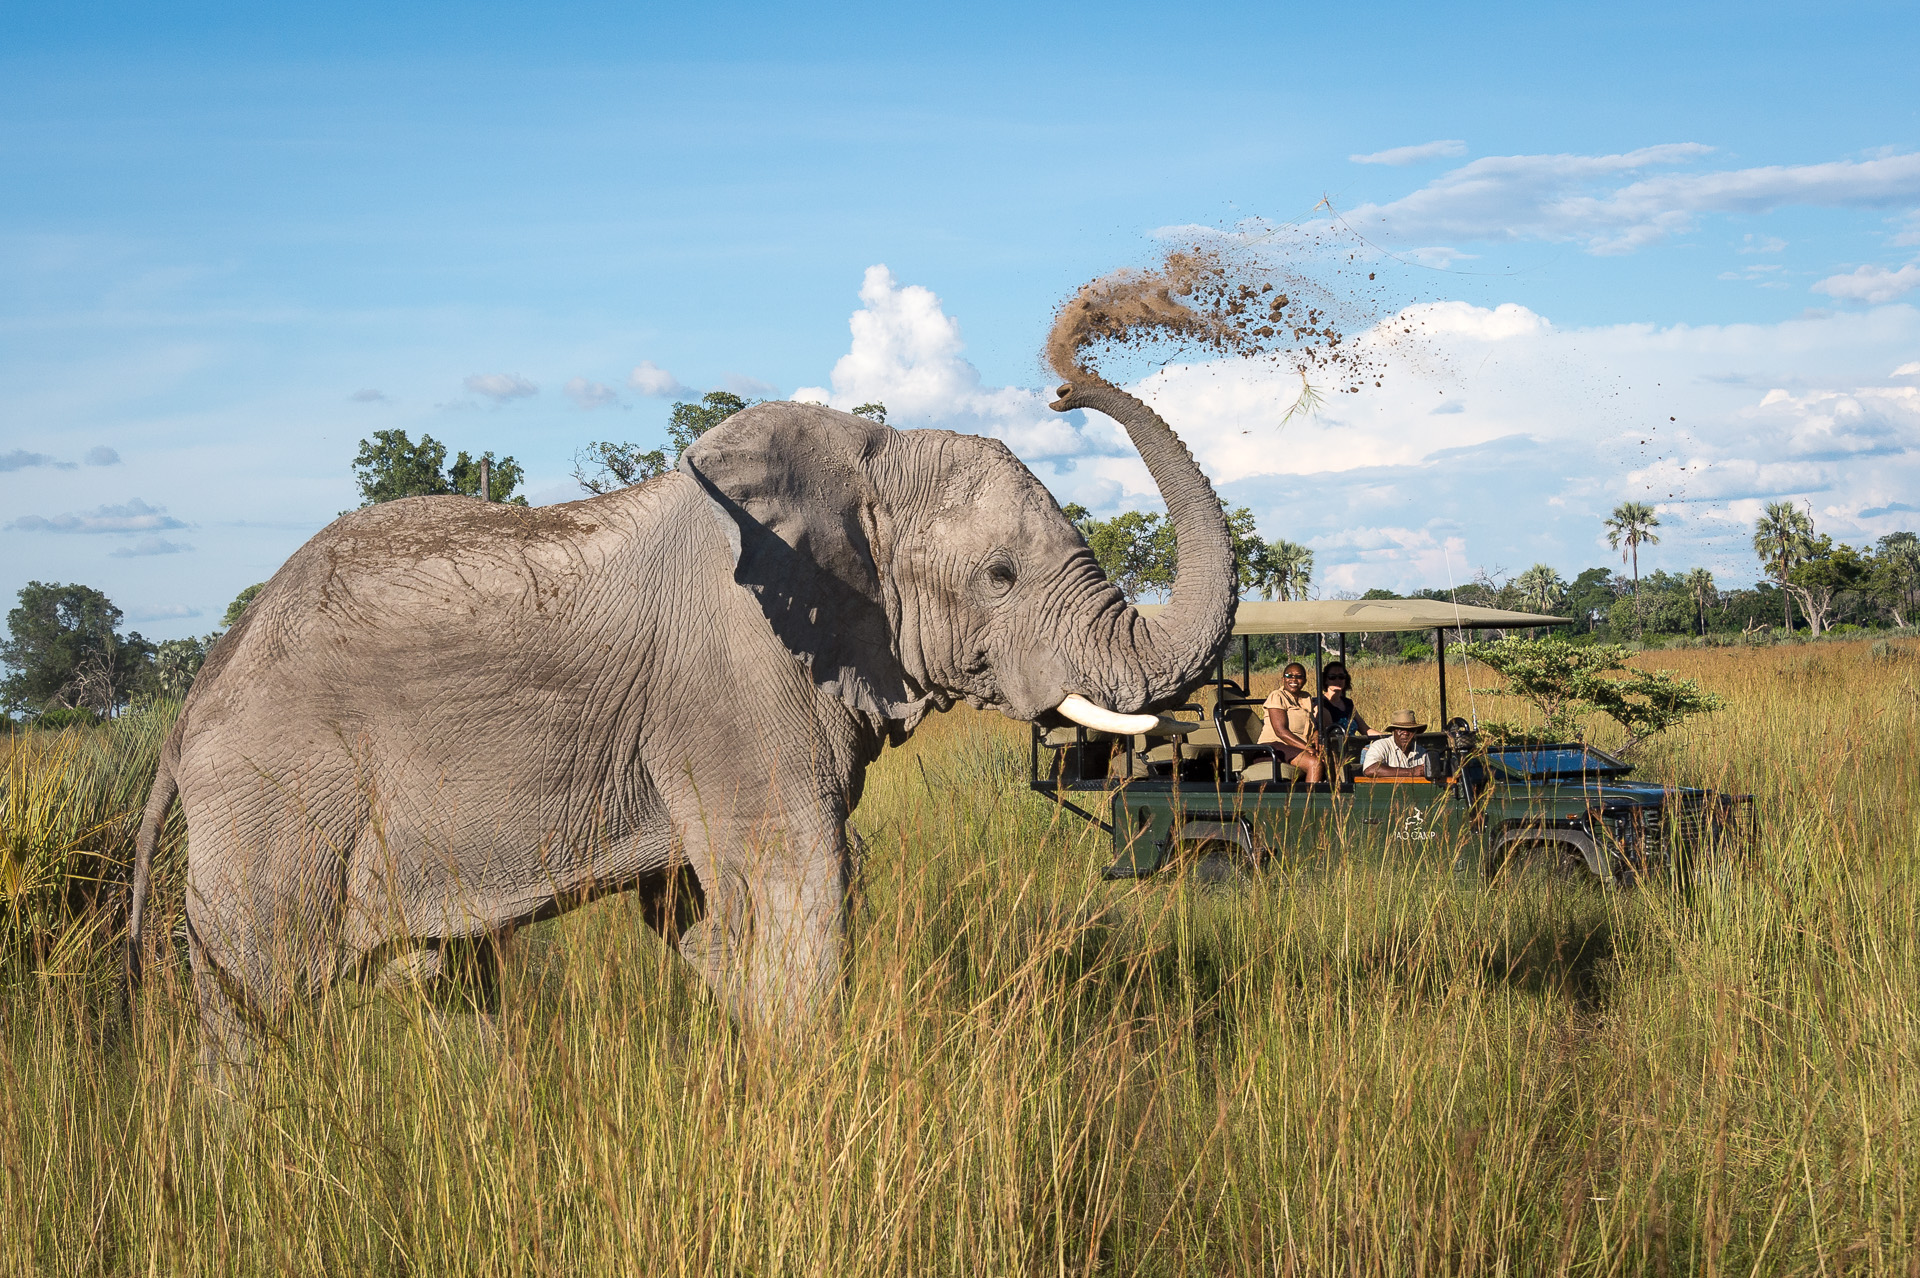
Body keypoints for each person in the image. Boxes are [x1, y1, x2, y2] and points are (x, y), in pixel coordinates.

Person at [1258, 662, 1324, 783]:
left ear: (1305, 680)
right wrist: (1307, 748)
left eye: (1299, 676)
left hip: (1297, 746)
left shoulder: (1306, 697)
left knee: (1333, 759)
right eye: (1289, 676)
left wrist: (1316, 736)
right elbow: (1280, 731)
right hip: (1274, 747)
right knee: (1315, 763)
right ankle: (1310, 800)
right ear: (1283, 679)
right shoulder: (1277, 696)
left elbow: (1311, 725)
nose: (1294, 679)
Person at [1313, 661, 1371, 745]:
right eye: (1332, 677)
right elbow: (1332, 736)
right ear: (1325, 680)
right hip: (1339, 750)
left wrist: (1387, 738)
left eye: (1341, 677)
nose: (1337, 680)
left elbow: (1365, 729)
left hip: (1355, 746)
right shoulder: (1320, 705)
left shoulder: (1348, 703)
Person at [1361, 710, 1430, 778]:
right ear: (1393, 731)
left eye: (1410, 730)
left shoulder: (1422, 752)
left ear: (1415, 732)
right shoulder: (1381, 746)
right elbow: (1370, 770)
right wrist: (1411, 772)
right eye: (1400, 729)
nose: (1405, 733)